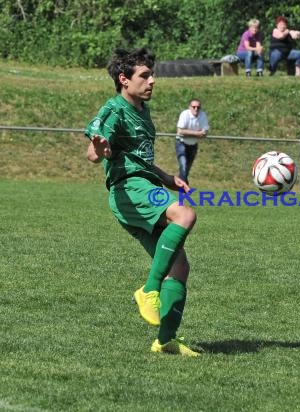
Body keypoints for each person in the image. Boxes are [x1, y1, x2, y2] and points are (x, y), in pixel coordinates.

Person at [84, 48, 201, 357]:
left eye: (152, 74)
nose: (152, 81)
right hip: (129, 189)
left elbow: (139, 159)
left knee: (180, 267)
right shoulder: (115, 109)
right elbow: (94, 152)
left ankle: (165, 342)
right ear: (124, 79)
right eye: (145, 76)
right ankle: (149, 290)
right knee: (185, 215)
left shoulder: (143, 112)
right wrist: (98, 146)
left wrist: (167, 178)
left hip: (144, 184)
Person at [175, 98, 209, 184]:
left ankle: (181, 184)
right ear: (189, 107)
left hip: (193, 144)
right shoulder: (184, 114)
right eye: (193, 107)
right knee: (183, 165)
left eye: (198, 107)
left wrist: (188, 133)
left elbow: (205, 133)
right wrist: (197, 134)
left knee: (187, 168)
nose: (196, 109)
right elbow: (180, 131)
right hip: (181, 143)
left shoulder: (203, 115)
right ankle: (183, 186)